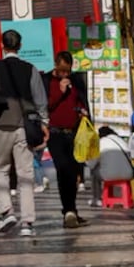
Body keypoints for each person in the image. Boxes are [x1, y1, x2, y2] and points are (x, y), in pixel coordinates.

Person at [0, 29, 49, 238]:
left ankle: (7, 212)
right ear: (20, 46)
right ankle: (27, 223)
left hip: (0, 125)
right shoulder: (30, 69)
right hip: (24, 125)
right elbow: (40, 99)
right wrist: (44, 122)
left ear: (2, 46)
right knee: (25, 174)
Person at [44, 50, 91, 228]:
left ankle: (71, 211)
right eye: (62, 70)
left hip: (74, 132)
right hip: (55, 133)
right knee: (62, 169)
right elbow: (46, 106)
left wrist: (82, 110)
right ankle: (68, 210)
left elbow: (79, 100)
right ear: (56, 65)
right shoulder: (47, 81)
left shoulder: (76, 80)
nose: (65, 74)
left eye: (68, 71)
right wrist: (60, 92)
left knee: (73, 173)